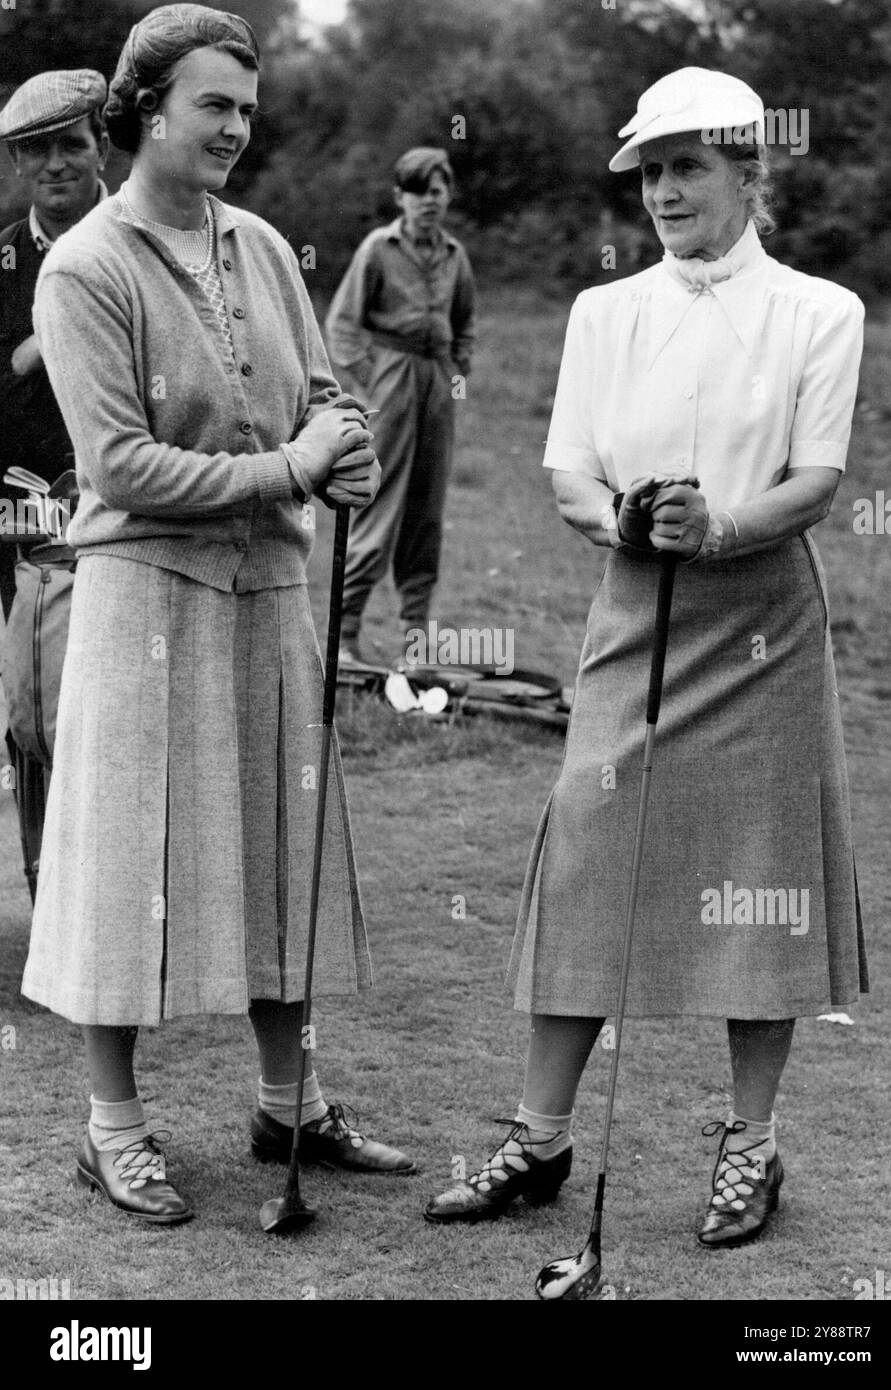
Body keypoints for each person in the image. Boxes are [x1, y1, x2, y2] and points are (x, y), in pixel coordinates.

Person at [424, 68, 868, 1248]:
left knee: (759, 867)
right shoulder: (602, 311)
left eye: (688, 167)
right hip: (635, 606)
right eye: (651, 171)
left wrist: (721, 525)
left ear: (747, 172)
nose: (664, 191)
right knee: (585, 847)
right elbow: (570, 466)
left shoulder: (821, 311)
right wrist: (621, 518)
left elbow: (817, 478)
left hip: (763, 616)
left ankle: (750, 1144)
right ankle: (539, 1137)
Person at [21, 3, 414, 1226]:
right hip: (144, 595)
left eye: (248, 108)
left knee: (276, 851)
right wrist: (292, 469)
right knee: (122, 857)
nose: (237, 128)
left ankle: (288, 1105)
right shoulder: (86, 264)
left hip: (270, 595)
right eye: (214, 105)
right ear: (143, 111)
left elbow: (328, 394)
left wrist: (341, 443)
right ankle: (112, 1130)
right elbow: (122, 466)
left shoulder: (260, 244)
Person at [324, 147, 476, 664]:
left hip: (436, 383)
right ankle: (344, 639)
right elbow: (343, 324)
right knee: (376, 502)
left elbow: (466, 324)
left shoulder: (456, 255)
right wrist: (372, 383)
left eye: (437, 191)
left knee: (426, 510)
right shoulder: (378, 248)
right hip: (391, 377)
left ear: (447, 195)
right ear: (399, 198)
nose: (428, 202)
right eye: (417, 192)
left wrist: (457, 373)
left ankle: (416, 642)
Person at [0, 69, 109, 619]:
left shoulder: (146, 243)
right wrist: (37, 347)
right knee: (35, 684)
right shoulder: (4, 259)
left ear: (103, 148)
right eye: (37, 149)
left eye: (73, 144)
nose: (56, 163)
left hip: (129, 510)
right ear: (17, 161)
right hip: (23, 516)